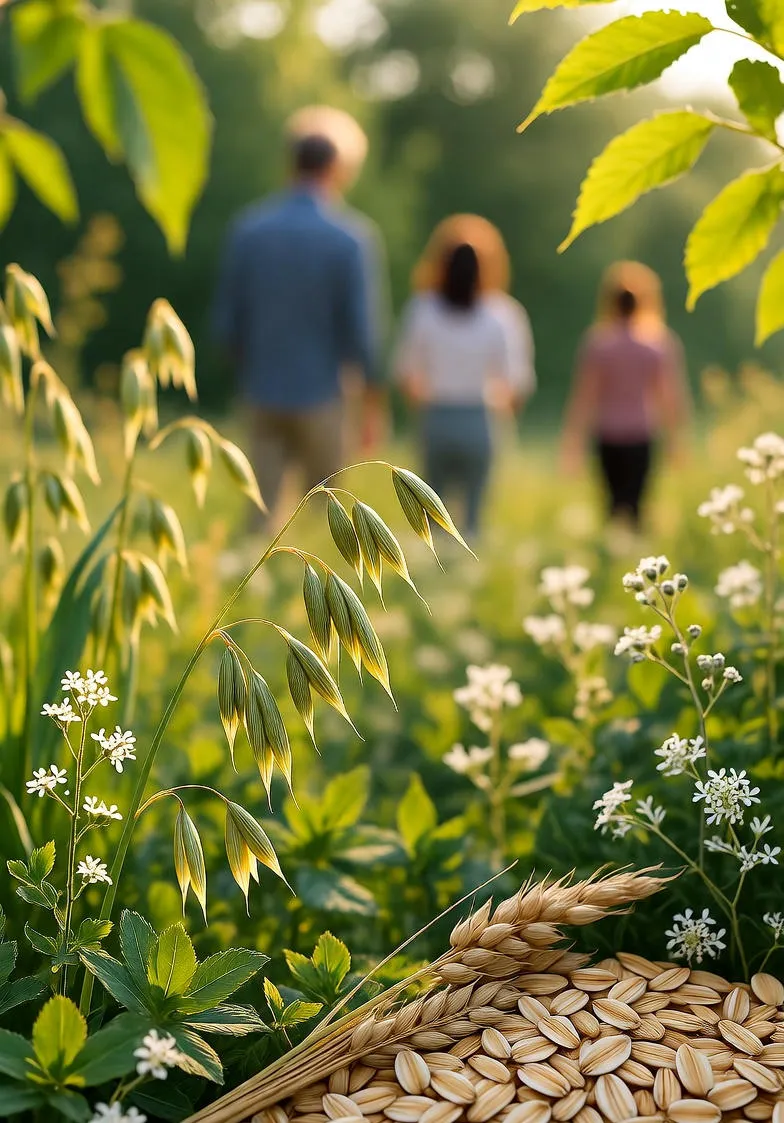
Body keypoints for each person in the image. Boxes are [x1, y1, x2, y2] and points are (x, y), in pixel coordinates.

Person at [212, 105, 388, 529]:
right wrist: (372, 404)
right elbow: (364, 333)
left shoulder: (248, 230)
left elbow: (225, 324)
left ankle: (250, 590)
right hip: (324, 393)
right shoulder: (351, 238)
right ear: (338, 168)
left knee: (259, 513)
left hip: (261, 388)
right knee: (329, 518)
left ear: (290, 163)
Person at [395, 218, 535, 541]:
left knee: (431, 512)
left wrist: (422, 410)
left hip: (437, 414)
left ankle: (430, 578)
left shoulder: (423, 309)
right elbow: (517, 381)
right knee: (473, 516)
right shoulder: (503, 314)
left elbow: (407, 373)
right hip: (480, 417)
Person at [561, 261, 690, 530]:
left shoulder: (598, 344)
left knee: (612, 504)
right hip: (641, 434)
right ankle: (634, 557)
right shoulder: (656, 345)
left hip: (608, 434)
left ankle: (615, 555)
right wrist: (676, 440)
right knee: (636, 505)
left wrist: (573, 442)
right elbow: (670, 398)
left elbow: (584, 397)